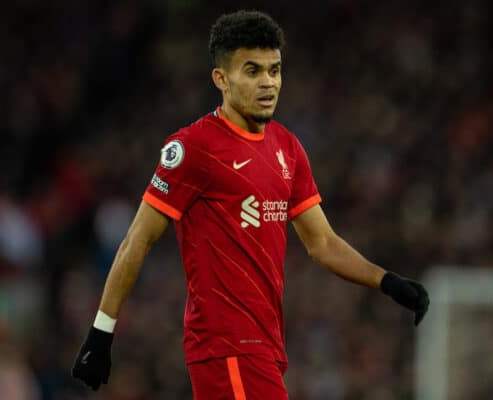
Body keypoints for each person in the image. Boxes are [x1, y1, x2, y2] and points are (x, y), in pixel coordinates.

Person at [72, 10, 430, 399]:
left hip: (267, 345)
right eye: (253, 70)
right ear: (221, 79)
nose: (268, 83)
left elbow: (322, 243)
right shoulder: (194, 147)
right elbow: (137, 240)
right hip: (227, 346)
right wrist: (101, 331)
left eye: (274, 70)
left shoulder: (287, 147)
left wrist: (387, 282)